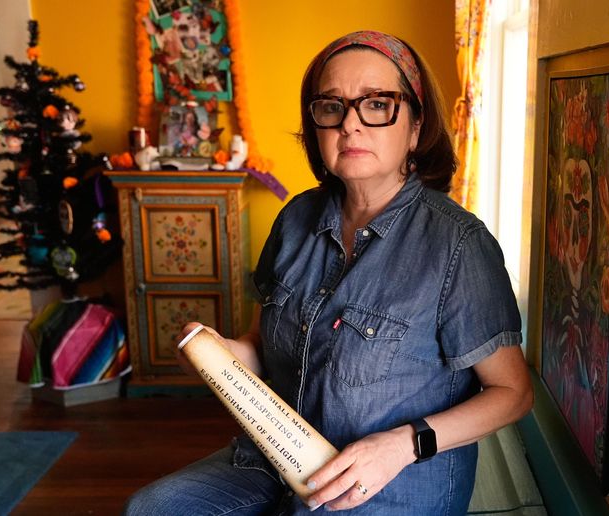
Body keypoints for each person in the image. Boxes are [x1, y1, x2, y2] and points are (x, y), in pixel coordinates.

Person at [125, 30, 533, 515]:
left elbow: (513, 393)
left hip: (390, 482)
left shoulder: (459, 245)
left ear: (416, 126)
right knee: (152, 509)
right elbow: (258, 346)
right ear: (315, 125)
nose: (351, 125)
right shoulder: (295, 219)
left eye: (377, 104)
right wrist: (216, 354)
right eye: (331, 107)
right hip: (277, 461)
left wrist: (402, 445)